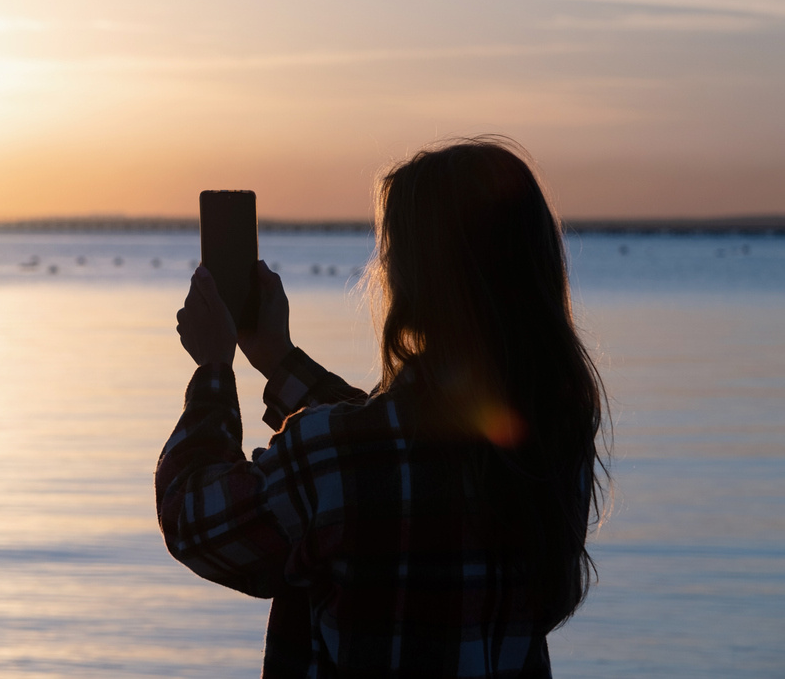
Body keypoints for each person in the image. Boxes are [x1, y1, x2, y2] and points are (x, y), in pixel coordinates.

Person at [156, 138, 608, 678]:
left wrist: (213, 371)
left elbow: (196, 520)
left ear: (419, 279)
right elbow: (396, 452)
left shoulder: (340, 455)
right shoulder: (556, 433)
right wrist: (278, 361)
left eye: (390, 253)